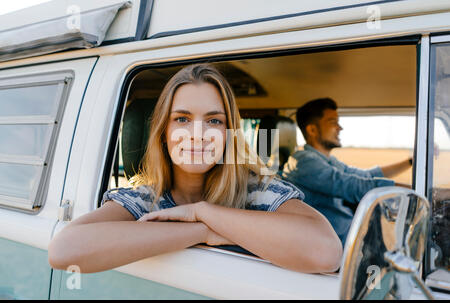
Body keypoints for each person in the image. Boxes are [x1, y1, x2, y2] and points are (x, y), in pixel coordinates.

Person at [48, 64, 342, 274]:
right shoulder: (145, 199)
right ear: (163, 131)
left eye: (214, 121)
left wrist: (203, 211)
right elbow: (64, 251)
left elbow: (325, 252)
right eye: (182, 119)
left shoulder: (257, 190)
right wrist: (204, 231)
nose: (198, 134)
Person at [282, 98, 412, 246]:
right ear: (312, 130)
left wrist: (410, 162)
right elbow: (353, 186)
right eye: (333, 122)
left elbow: (366, 176)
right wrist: (413, 192)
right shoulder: (303, 162)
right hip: (336, 246)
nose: (340, 128)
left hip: (352, 237)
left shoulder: (327, 161)